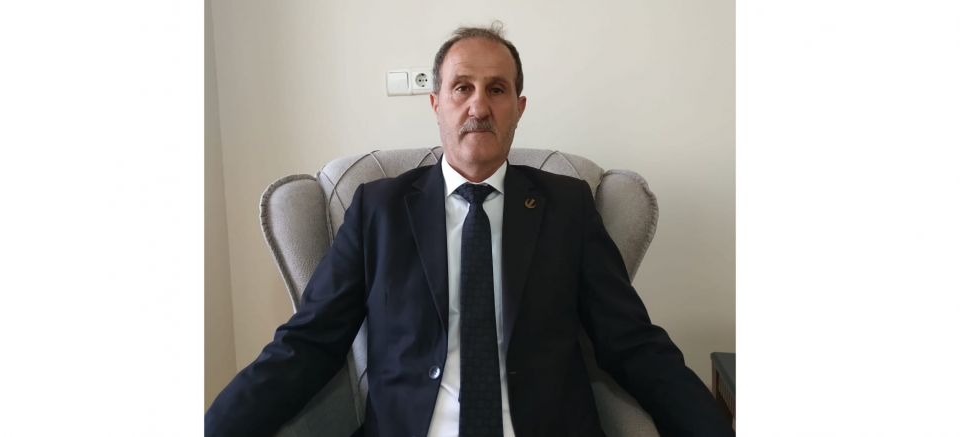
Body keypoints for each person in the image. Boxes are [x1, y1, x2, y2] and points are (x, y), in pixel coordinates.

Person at [206, 22, 734, 437]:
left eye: (497, 89)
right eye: (462, 87)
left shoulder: (567, 207)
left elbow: (633, 344)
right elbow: (307, 344)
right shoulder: (378, 209)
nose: (479, 105)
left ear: (518, 109)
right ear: (436, 104)